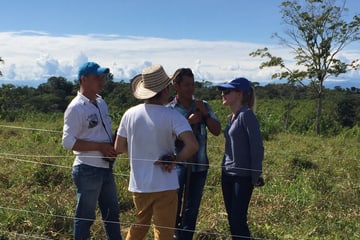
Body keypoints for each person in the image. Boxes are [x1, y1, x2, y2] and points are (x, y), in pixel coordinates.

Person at [114, 64, 199, 240]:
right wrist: (176, 159)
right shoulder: (172, 116)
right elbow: (192, 145)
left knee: (139, 225)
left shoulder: (129, 114)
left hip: (140, 183)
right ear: (165, 90)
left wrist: (137, 153)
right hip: (165, 183)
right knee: (164, 232)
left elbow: (118, 147)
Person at [62, 62, 121, 240]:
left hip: (106, 167)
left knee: (112, 214)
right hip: (87, 168)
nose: (101, 81)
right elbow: (67, 141)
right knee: (85, 217)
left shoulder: (101, 102)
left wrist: (115, 141)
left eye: (102, 77)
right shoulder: (76, 107)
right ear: (84, 79)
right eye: (97, 78)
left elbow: (101, 132)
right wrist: (100, 147)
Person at [168, 68, 221, 240]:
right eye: (186, 85)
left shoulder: (203, 105)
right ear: (176, 86)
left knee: (193, 207)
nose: (191, 89)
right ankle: (174, 233)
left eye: (193, 84)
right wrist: (186, 123)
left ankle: (186, 237)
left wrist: (204, 115)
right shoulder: (170, 110)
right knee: (173, 203)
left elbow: (217, 130)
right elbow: (166, 138)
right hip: (178, 163)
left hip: (199, 164)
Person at [217, 77, 264, 240]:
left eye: (227, 91)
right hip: (228, 174)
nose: (223, 94)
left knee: (238, 220)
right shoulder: (231, 117)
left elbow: (257, 146)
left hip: (242, 177)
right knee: (232, 219)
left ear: (240, 93)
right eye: (222, 91)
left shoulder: (246, 115)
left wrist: (255, 175)